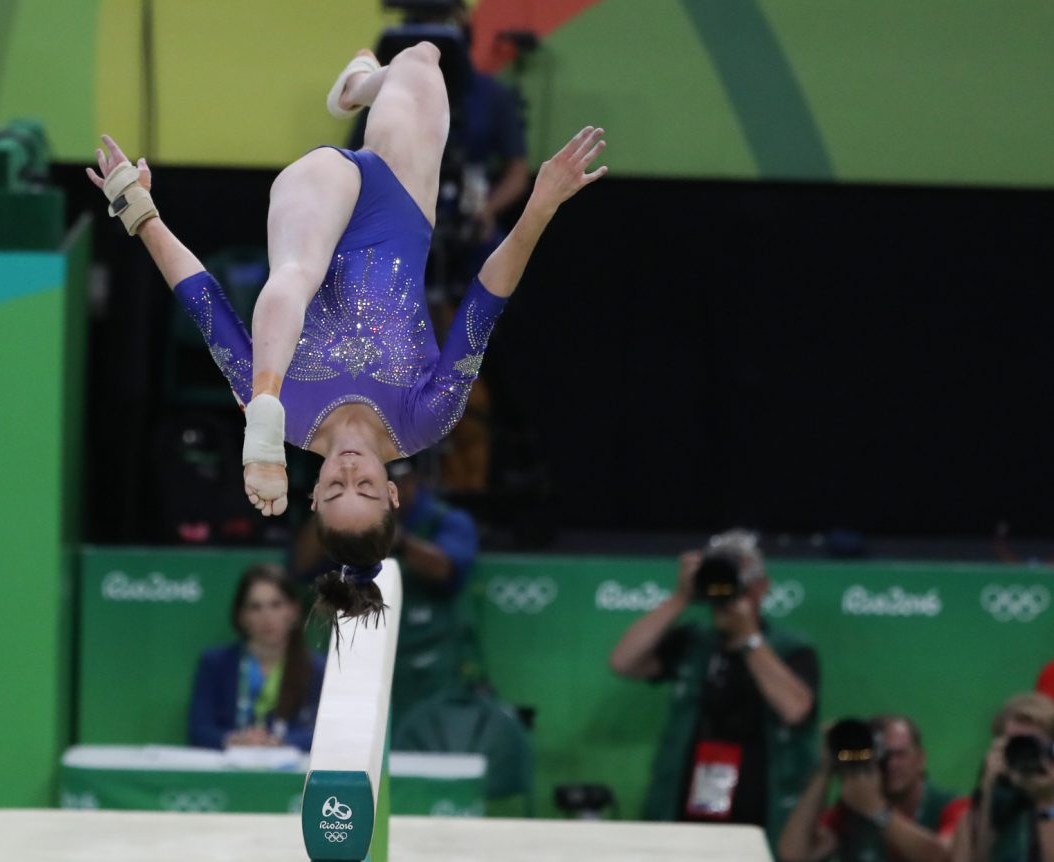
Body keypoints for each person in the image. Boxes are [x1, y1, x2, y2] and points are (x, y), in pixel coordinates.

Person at [87, 44, 607, 626]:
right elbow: (484, 304)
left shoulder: (294, 418)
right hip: (404, 210)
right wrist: (540, 206)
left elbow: (208, 306)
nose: (350, 471)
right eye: (364, 488)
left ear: (313, 497)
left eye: (336, 490)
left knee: (296, 276)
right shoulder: (426, 417)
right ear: (391, 495)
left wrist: (140, 213)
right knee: (423, 60)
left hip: (316, 212)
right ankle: (364, 84)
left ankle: (255, 410)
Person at [608, 529, 820, 845]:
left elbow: (795, 709)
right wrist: (680, 598)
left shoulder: (791, 649)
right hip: (689, 799)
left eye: (738, 584)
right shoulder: (695, 642)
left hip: (760, 805)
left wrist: (748, 638)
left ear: (761, 588)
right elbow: (623, 662)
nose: (726, 595)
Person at [293, 458, 481, 721]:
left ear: (408, 482)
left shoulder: (446, 519)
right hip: (357, 661)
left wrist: (398, 539)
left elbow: (446, 569)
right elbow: (302, 565)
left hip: (426, 665)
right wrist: (330, 505)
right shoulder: (347, 522)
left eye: (383, 484)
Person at [779, 715, 965, 862]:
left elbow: (943, 856)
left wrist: (877, 809)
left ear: (921, 759)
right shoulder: (852, 811)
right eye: (881, 754)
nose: (891, 764)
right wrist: (825, 770)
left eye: (900, 754)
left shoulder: (952, 806)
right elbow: (794, 854)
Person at [187, 563, 325, 751]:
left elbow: (323, 734)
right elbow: (199, 730)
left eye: (276, 605)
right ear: (242, 616)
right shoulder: (215, 663)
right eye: (255, 607)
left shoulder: (317, 668)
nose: (267, 616)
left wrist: (280, 742)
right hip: (229, 772)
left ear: (293, 611)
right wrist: (234, 739)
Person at [950, 692, 1054, 862]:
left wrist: (1047, 800)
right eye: (1015, 744)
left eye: (1032, 745)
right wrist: (990, 791)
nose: (1024, 753)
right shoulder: (972, 821)